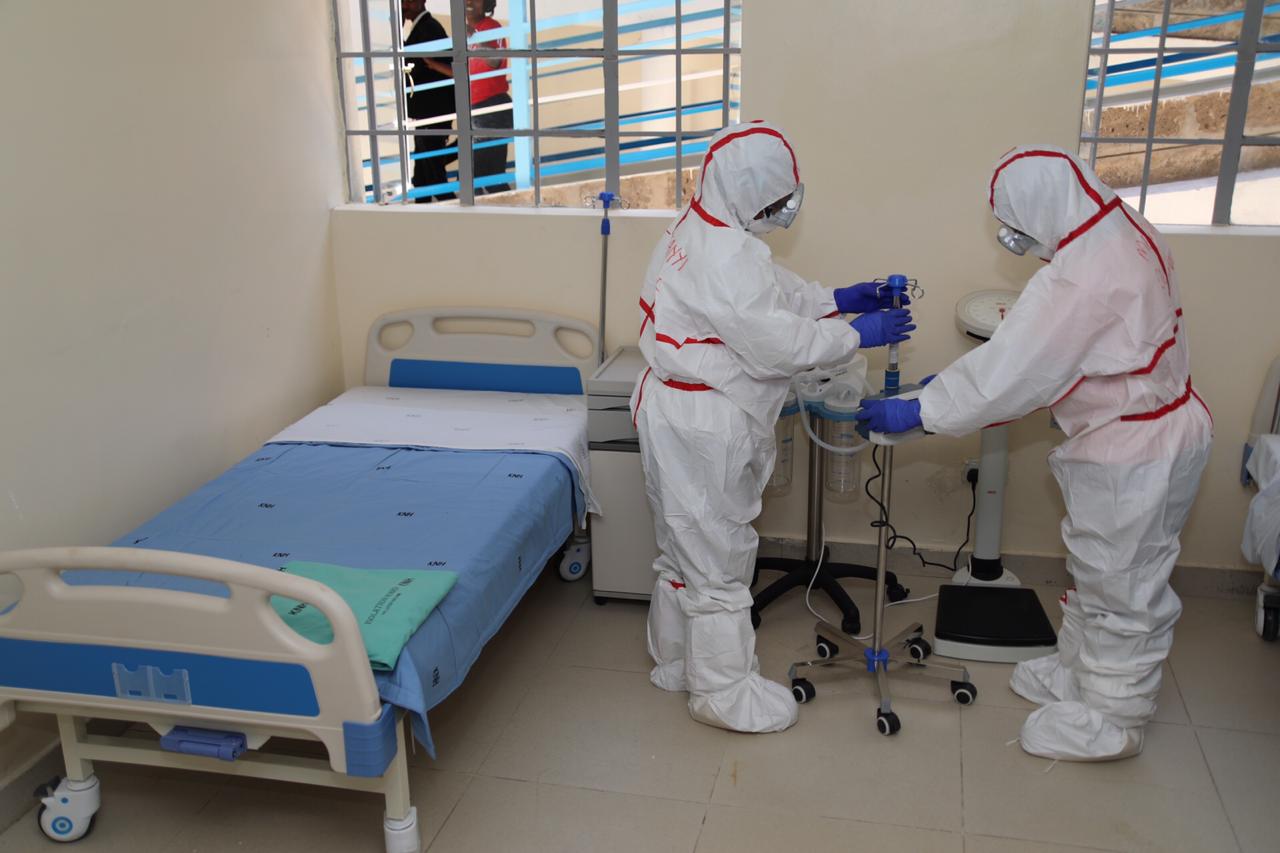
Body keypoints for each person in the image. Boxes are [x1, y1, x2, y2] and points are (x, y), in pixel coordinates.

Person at [855, 145, 1212, 761]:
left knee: (1124, 585)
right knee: (1097, 567)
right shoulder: (1117, 225)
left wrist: (920, 409)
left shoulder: (1079, 275)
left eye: (1016, 225)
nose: (1016, 239)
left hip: (1134, 447)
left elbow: (1013, 375)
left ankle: (1114, 718)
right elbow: (1040, 355)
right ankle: (1078, 675)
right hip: (1135, 430)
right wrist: (944, 388)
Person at [629, 121, 915, 733]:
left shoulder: (701, 226)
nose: (783, 211)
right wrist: (855, 334)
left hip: (669, 406)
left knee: (683, 546)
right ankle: (722, 691)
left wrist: (839, 297)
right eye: (776, 200)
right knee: (719, 555)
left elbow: (768, 293)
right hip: (704, 421)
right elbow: (776, 343)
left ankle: (680, 661)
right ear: (748, 191)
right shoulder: (725, 253)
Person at [402, 0, 455, 202]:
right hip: (427, 113)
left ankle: (456, 213)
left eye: (409, 1)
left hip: (433, 113)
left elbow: (415, 62)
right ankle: (422, 212)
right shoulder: (422, 28)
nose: (405, 4)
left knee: (433, 172)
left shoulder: (429, 28)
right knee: (424, 175)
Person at [466, 0, 512, 194]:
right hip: (477, 109)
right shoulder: (469, 32)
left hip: (492, 107)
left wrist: (472, 35)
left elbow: (494, 61)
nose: (468, 1)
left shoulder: (491, 27)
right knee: (479, 176)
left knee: (486, 176)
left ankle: (516, 215)